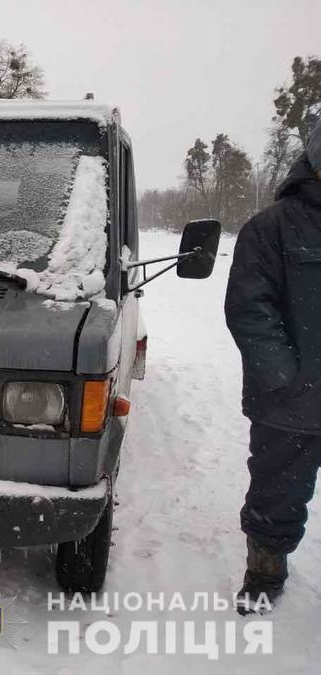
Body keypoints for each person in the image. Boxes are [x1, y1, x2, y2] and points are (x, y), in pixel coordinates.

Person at [225, 117, 321, 615]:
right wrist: (284, 377)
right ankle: (265, 571)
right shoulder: (272, 228)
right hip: (291, 401)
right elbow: (248, 308)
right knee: (277, 493)